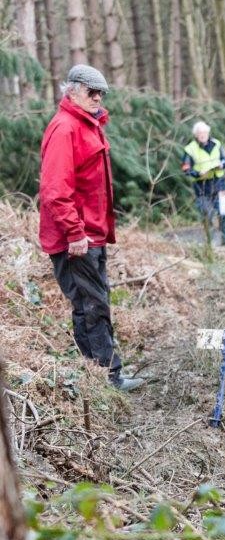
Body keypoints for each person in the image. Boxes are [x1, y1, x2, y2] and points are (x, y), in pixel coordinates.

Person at [38, 65, 143, 391]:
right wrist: (75, 233)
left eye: (101, 92)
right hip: (77, 238)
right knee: (94, 303)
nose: (97, 97)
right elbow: (55, 190)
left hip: (90, 234)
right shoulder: (66, 128)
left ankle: (95, 374)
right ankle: (109, 377)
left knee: (89, 303)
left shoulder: (88, 125)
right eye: (90, 91)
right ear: (71, 91)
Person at [181, 121, 225, 245]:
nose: (202, 135)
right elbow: (186, 168)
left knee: (224, 211)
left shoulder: (217, 144)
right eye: (199, 133)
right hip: (202, 186)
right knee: (206, 214)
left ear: (208, 133)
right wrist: (197, 173)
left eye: (204, 132)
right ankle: (209, 242)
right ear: (196, 135)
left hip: (220, 182)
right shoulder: (190, 149)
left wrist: (222, 164)